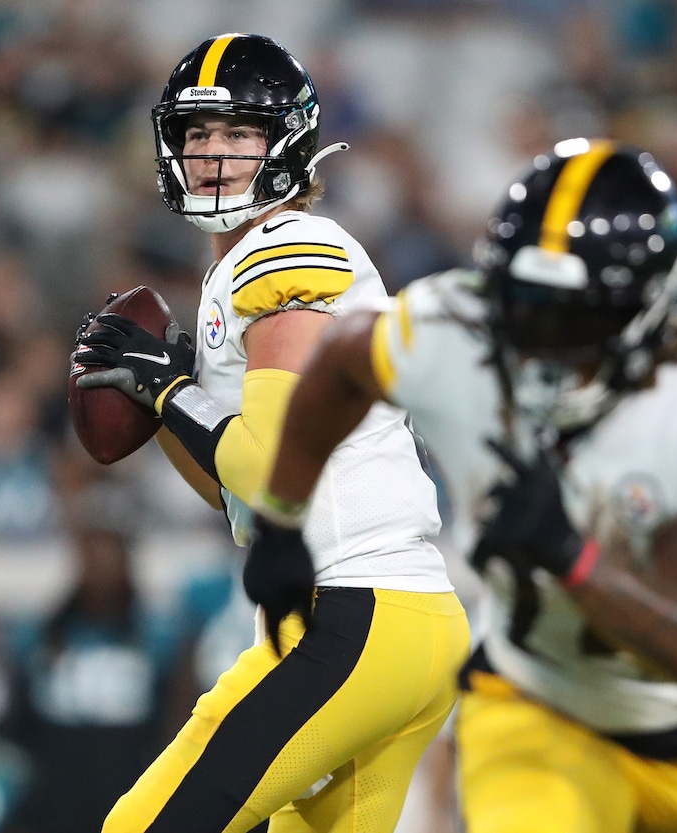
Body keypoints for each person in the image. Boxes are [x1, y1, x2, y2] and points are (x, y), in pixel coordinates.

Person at [248, 139, 677, 832]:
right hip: (535, 705)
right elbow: (341, 362)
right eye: (525, 307)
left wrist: (571, 556)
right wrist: (280, 519)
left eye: (571, 319)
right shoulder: (451, 332)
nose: (543, 341)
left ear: (651, 305)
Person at [71, 33, 469, 833]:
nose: (213, 155)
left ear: (288, 141)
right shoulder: (245, 266)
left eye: (239, 134)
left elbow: (263, 464)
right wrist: (167, 403)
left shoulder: (291, 247)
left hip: (357, 612)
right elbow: (237, 494)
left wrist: (168, 388)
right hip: (390, 620)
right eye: (197, 135)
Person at [0, 483, 181, 833]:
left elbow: (171, 729)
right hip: (52, 809)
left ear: (128, 557)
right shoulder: (40, 633)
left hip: (130, 805)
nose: (100, 562)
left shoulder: (159, 636)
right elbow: (17, 726)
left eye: (110, 549)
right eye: (90, 548)